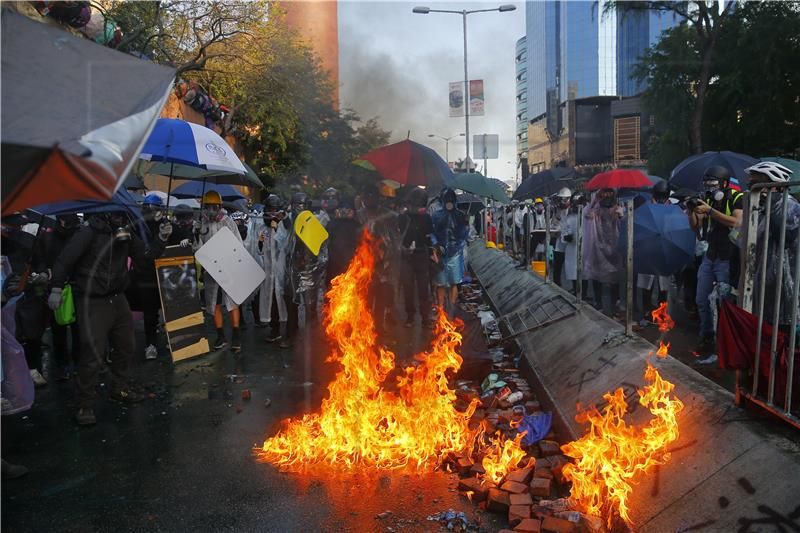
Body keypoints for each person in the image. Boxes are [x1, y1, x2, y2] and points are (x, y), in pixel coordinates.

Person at [48, 211, 171, 425]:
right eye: (116, 214)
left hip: (117, 298)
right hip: (92, 300)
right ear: (106, 213)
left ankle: (119, 389)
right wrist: (56, 287)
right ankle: (84, 405)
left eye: (123, 215)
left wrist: (161, 238)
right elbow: (65, 260)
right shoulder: (88, 232)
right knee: (92, 353)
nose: (120, 218)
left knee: (126, 347)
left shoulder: (126, 233)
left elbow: (146, 255)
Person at [687, 165, 743, 355]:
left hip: (728, 259)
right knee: (701, 299)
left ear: (724, 183)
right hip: (710, 256)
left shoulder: (737, 198)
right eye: (707, 183)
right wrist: (691, 212)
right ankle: (707, 338)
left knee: (725, 304)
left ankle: (727, 345)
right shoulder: (708, 199)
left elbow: (737, 222)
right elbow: (696, 228)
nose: (710, 187)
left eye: (713, 183)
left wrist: (711, 211)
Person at [746, 162, 798, 330]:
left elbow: (787, 235)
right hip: (764, 288)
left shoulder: (790, 206)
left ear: (774, 185)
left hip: (785, 291)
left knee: (785, 340)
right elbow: (742, 240)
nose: (752, 188)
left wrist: (770, 205)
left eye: (756, 183)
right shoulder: (758, 208)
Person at [193, 190, 243, 353]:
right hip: (211, 270)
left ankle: (236, 335)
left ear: (220, 206)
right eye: (208, 207)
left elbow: (238, 243)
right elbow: (198, 248)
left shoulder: (228, 222)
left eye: (214, 207)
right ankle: (221, 335)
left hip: (228, 267)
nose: (211, 210)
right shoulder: (201, 223)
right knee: (215, 303)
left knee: (233, 302)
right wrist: (195, 234)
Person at [37, 214, 82, 380]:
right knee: (58, 329)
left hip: (75, 286)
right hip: (56, 287)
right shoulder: (47, 237)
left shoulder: (78, 235)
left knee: (77, 328)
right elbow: (40, 258)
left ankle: (77, 362)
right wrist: (44, 271)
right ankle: (62, 364)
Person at [358, 183, 401, 329]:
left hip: (383, 265)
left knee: (381, 301)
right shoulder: (358, 216)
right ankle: (366, 332)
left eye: (373, 196)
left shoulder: (387, 216)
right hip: (364, 266)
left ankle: (378, 330)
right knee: (366, 301)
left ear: (378, 198)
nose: (370, 199)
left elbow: (393, 240)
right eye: (367, 196)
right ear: (363, 198)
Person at [285, 191, 326, 341]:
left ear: (307, 206)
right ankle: (291, 334)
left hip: (308, 272)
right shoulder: (289, 223)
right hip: (292, 271)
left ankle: (313, 338)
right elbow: (284, 246)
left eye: (300, 204)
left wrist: (311, 267)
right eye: (294, 204)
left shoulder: (313, 223)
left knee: (310, 306)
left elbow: (322, 254)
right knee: (291, 304)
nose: (297, 208)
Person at [583, 188, 624, 314]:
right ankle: (598, 302)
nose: (607, 195)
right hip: (598, 247)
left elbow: (625, 224)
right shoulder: (596, 209)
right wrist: (594, 201)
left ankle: (615, 304)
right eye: (605, 192)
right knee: (597, 275)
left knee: (615, 277)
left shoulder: (619, 208)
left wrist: (621, 215)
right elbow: (586, 215)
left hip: (615, 248)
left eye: (610, 192)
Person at [637, 181, 673, 326]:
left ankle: (661, 312)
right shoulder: (646, 208)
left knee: (663, 285)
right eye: (659, 196)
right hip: (649, 250)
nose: (661, 199)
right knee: (647, 283)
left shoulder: (672, 209)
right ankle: (647, 312)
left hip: (665, 251)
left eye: (663, 196)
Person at [258, 195, 291, 347]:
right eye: (269, 210)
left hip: (280, 269)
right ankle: (274, 329)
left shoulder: (284, 224)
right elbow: (257, 246)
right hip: (267, 270)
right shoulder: (261, 227)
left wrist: (276, 228)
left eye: (274, 210)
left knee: (282, 299)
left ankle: (286, 330)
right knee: (269, 299)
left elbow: (284, 245)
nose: (272, 213)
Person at [399, 188, 434, 328]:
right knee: (408, 288)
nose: (419, 209)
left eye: (421, 206)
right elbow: (397, 237)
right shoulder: (402, 218)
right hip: (406, 257)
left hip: (421, 255)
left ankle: (425, 318)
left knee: (423, 289)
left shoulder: (427, 218)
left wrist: (432, 250)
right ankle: (410, 316)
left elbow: (430, 236)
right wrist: (404, 248)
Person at [431, 188, 468, 312]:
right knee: (440, 283)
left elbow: (464, 234)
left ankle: (451, 308)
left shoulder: (460, 215)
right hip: (441, 254)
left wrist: (457, 245)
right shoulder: (436, 215)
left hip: (455, 254)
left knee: (454, 282)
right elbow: (431, 233)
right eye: (447, 201)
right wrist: (436, 245)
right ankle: (441, 309)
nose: (449, 204)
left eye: (451, 201)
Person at [552, 188, 572, 287]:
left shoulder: (573, 210)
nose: (562, 202)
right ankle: (557, 283)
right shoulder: (557, 210)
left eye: (564, 199)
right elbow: (553, 224)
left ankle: (575, 287)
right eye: (561, 199)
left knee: (571, 266)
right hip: (559, 242)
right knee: (557, 264)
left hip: (570, 243)